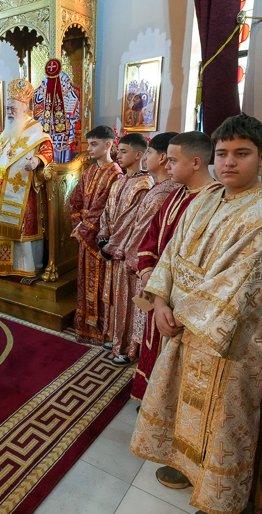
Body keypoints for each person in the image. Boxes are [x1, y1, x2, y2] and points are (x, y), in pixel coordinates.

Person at [130, 114, 262, 514]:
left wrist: (176, 310)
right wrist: (160, 303)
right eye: (222, 154)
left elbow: (238, 287)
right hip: (181, 324)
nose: (229, 163)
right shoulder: (204, 198)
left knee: (222, 418)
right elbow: (171, 255)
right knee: (181, 408)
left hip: (228, 340)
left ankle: (220, 494)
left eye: (242, 154)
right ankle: (186, 468)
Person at [132, 131, 222, 399]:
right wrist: (148, 272)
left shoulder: (214, 200)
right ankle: (151, 401)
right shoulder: (176, 194)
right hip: (158, 290)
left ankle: (165, 405)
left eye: (172, 160)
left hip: (183, 298)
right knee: (153, 346)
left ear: (196, 162)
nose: (166, 165)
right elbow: (151, 236)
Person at [107, 131, 182, 365]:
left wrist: (130, 258)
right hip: (140, 260)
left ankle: (131, 350)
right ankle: (129, 347)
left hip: (144, 263)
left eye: (148, 152)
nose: (145, 157)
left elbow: (142, 231)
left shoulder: (162, 192)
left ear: (161, 158)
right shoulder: (159, 188)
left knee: (143, 313)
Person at [0, 79, 54, 278]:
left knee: (22, 229)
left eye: (13, 108)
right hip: (1, 190)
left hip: (25, 192)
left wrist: (37, 161)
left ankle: (27, 267)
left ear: (24, 109)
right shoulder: (6, 132)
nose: (9, 112)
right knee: (2, 227)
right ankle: (1, 266)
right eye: (7, 108)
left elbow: (47, 149)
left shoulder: (36, 132)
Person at [98, 133, 151, 353]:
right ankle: (112, 335)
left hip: (126, 254)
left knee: (129, 301)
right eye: (118, 151)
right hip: (112, 249)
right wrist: (102, 236)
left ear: (139, 154)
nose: (117, 155)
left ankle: (128, 347)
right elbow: (107, 213)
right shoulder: (119, 181)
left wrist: (111, 246)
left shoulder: (144, 185)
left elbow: (131, 222)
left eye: (123, 151)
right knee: (113, 297)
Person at [69, 125, 122, 345]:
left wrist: (85, 228)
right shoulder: (89, 171)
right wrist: (79, 224)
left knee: (102, 284)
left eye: (94, 144)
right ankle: (85, 327)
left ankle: (102, 330)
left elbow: (103, 207)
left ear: (108, 144)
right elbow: (75, 199)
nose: (89, 149)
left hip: (99, 239)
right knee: (84, 280)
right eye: (88, 144)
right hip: (85, 235)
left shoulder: (115, 173)